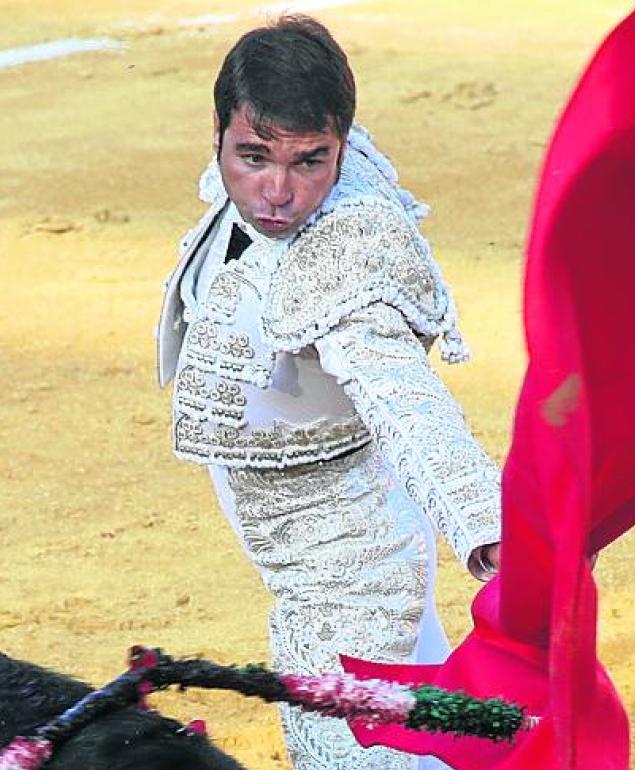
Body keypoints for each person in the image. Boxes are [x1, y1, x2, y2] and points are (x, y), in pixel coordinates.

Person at [155, 16, 501, 770]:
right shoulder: (277, 172)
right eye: (254, 157)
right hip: (303, 490)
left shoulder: (350, 257)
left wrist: (489, 526)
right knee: (427, 716)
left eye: (311, 162)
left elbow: (406, 403)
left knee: (346, 743)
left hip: (342, 543)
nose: (279, 191)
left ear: (342, 142)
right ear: (217, 131)